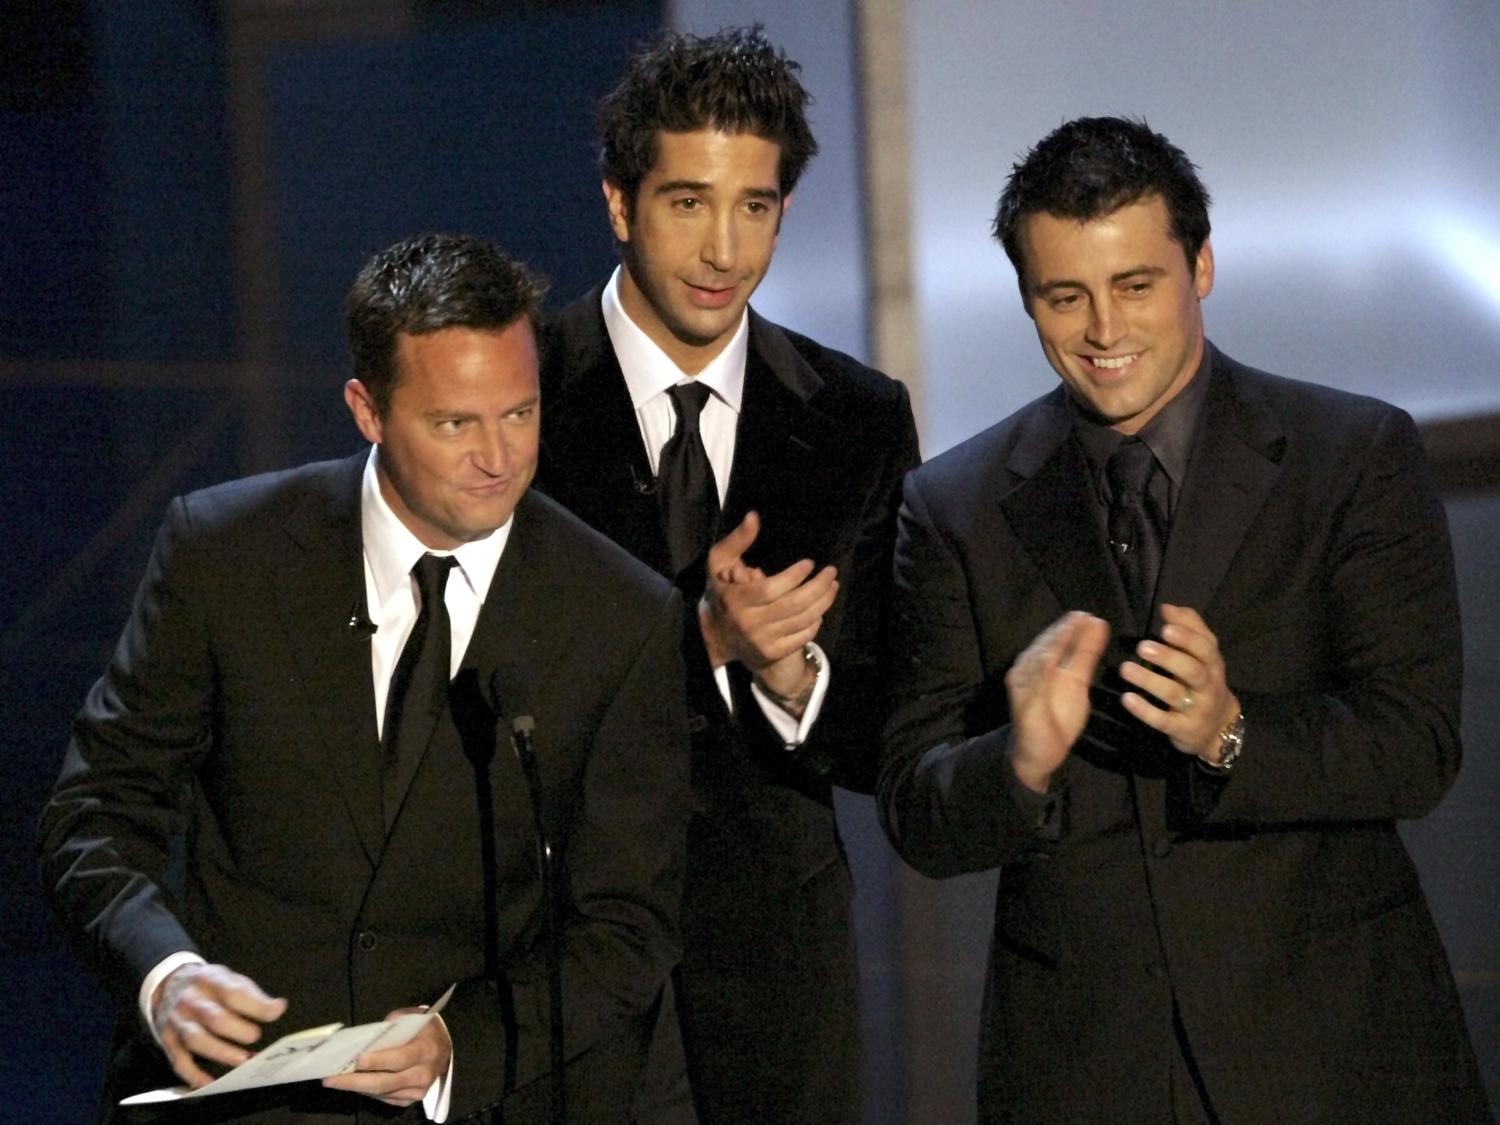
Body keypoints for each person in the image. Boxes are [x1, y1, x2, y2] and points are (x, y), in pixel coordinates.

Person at [878, 117, 1491, 1123]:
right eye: (1063, 297)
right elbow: (917, 807)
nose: (1105, 333)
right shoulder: (956, 505)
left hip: (1337, 1050)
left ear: (1200, 266)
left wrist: (1229, 734)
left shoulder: (1353, 456)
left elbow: (1417, 746)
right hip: (1083, 1067)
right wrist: (1017, 760)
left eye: (1135, 286)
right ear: (1028, 297)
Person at [39, 233, 691, 1123]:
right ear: (368, 410)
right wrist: (166, 974)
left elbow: (627, 925)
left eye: (520, 413)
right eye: (455, 423)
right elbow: (97, 813)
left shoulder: (620, 614)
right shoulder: (225, 553)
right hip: (232, 1101)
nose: (498, 457)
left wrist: (463, 1046)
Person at [533, 27, 920, 1125]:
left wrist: (793, 680)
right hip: (560, 949)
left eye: (755, 207)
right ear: (621, 203)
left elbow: (896, 706)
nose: (723, 248)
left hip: (776, 965)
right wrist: (698, 647)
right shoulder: (517, 400)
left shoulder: (857, 417)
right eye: (688, 203)